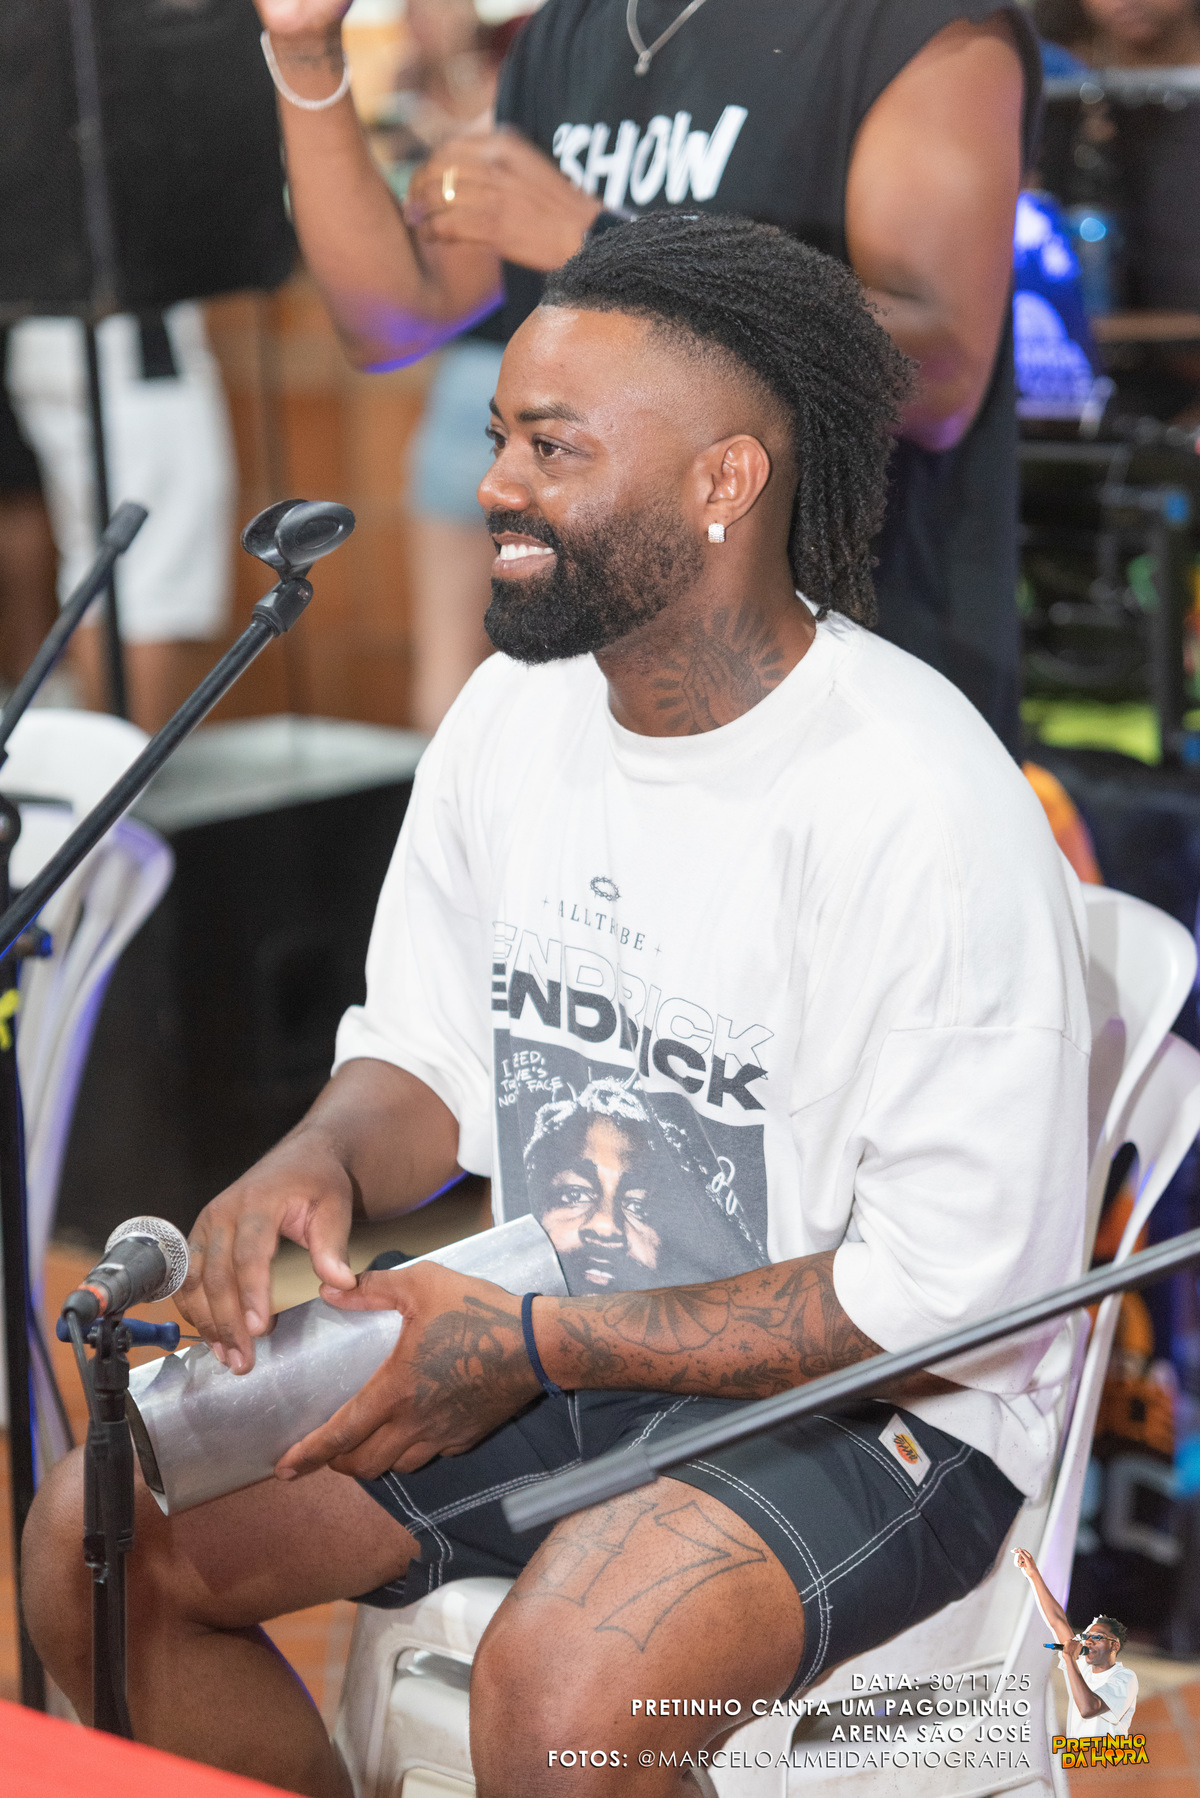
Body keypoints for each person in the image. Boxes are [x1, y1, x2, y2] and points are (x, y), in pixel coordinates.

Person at [24, 216, 1090, 1798]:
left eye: (553, 447)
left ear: (726, 482)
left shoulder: (916, 806)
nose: (495, 486)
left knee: (565, 1685)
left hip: (884, 1399)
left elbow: (940, 1300)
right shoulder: (516, 713)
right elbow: (428, 1057)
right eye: (501, 438)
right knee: (103, 1541)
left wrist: (530, 1340)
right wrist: (322, 1154)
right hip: (562, 1328)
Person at [252, 0, 1041, 751]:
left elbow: (938, 378)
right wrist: (305, 49)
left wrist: (591, 237)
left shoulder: (918, 22)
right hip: (611, 684)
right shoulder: (572, 29)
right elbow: (389, 319)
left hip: (851, 675)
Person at [5, 304, 236, 733]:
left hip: (58, 336)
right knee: (141, 588)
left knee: (110, 572)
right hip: (124, 346)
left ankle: (108, 761)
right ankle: (125, 772)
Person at [1014, 1547, 1140, 1740]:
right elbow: (1058, 1620)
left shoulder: (1124, 1678)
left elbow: (1089, 1708)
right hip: (1078, 1755)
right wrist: (1033, 1574)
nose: (1088, 1641)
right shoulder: (1083, 1665)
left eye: (1097, 1637)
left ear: (1114, 1646)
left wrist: (1069, 1659)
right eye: (1087, 1636)